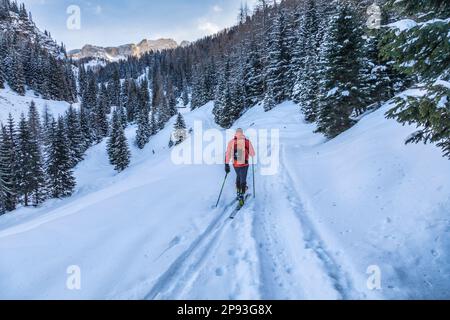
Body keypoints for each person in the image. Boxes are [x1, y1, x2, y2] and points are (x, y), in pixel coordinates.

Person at [225, 128, 256, 204]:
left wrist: (226, 164)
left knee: (238, 176)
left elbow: (228, 154)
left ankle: (238, 191)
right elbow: (253, 154)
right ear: (242, 133)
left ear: (235, 133)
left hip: (235, 164)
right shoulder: (247, 141)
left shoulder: (231, 142)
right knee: (243, 178)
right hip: (244, 164)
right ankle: (242, 195)